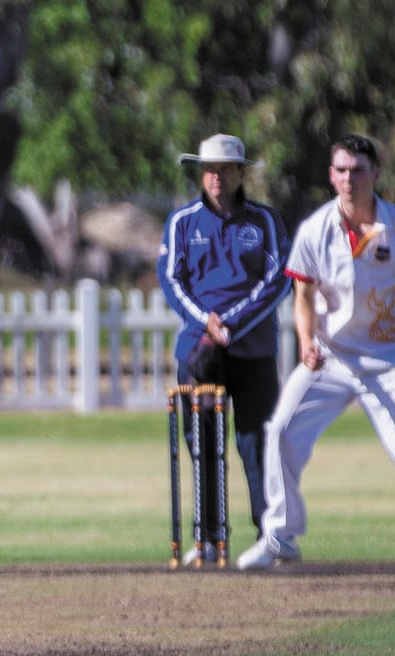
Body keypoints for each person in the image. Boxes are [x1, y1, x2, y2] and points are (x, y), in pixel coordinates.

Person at [236, 134, 395, 578]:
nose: (349, 179)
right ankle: (278, 536)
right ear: (331, 175)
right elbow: (302, 296)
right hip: (330, 357)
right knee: (281, 430)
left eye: (358, 170)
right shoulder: (315, 230)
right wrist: (306, 342)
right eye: (341, 170)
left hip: (388, 358)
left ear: (376, 175)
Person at [159, 134, 292, 565]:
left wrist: (230, 323)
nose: (216, 177)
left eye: (225, 169)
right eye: (209, 169)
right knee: (203, 446)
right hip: (199, 350)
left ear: (240, 174)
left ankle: (269, 536)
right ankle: (208, 538)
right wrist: (207, 324)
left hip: (252, 350)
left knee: (258, 444)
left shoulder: (264, 221)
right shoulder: (183, 222)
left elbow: (278, 281)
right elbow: (172, 281)